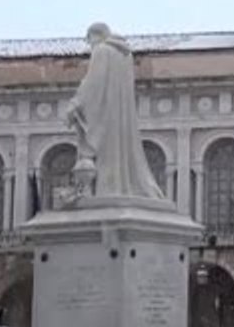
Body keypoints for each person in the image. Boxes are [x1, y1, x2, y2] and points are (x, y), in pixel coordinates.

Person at [65, 23, 163, 199]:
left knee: (107, 154)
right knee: (121, 152)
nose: (90, 45)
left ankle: (108, 189)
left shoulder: (102, 50)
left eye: (89, 40)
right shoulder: (125, 55)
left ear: (96, 36)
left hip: (105, 115)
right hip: (121, 117)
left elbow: (94, 83)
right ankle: (121, 186)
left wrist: (75, 103)